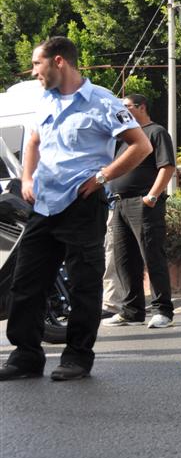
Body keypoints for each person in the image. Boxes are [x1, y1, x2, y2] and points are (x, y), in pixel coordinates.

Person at [0, 37, 152, 382]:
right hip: (44, 203)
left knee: (84, 284)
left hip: (82, 203)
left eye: (36, 65)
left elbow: (139, 145)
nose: (34, 72)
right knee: (26, 283)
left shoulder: (101, 101)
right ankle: (25, 357)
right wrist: (27, 178)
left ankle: (77, 357)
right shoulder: (44, 101)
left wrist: (102, 177)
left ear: (58, 62)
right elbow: (34, 142)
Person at [102, 94, 177, 329]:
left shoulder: (156, 132)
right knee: (124, 260)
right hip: (119, 203)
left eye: (126, 107)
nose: (121, 111)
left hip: (143, 202)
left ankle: (162, 310)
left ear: (141, 107)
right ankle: (132, 311)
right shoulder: (122, 138)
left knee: (152, 256)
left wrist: (152, 197)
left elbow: (167, 166)